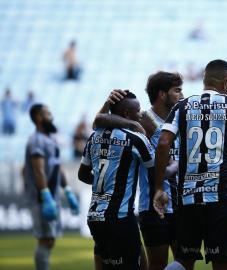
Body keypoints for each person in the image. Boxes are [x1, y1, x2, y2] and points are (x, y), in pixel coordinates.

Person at [153, 59, 227, 270]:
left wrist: (159, 187)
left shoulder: (182, 106)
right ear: (225, 82)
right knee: (222, 263)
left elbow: (163, 142)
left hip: (188, 200)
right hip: (221, 200)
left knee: (183, 261)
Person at [94, 71, 184, 270]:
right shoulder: (144, 119)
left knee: (185, 263)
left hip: (181, 205)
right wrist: (109, 105)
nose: (182, 95)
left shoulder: (181, 119)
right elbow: (98, 122)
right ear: (162, 94)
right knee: (157, 266)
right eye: (177, 90)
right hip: (153, 207)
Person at [78, 91, 153, 270]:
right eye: (138, 110)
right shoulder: (135, 139)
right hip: (120, 217)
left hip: (95, 215)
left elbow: (82, 175)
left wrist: (103, 184)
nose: (141, 114)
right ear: (127, 113)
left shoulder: (94, 137)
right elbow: (156, 171)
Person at [24, 103, 80, 270]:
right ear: (38, 117)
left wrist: (68, 191)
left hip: (52, 196)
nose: (52, 116)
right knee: (45, 240)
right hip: (41, 198)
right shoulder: (36, 141)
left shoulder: (51, 140)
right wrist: (46, 196)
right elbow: (38, 170)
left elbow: (58, 167)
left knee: (50, 240)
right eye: (48, 113)